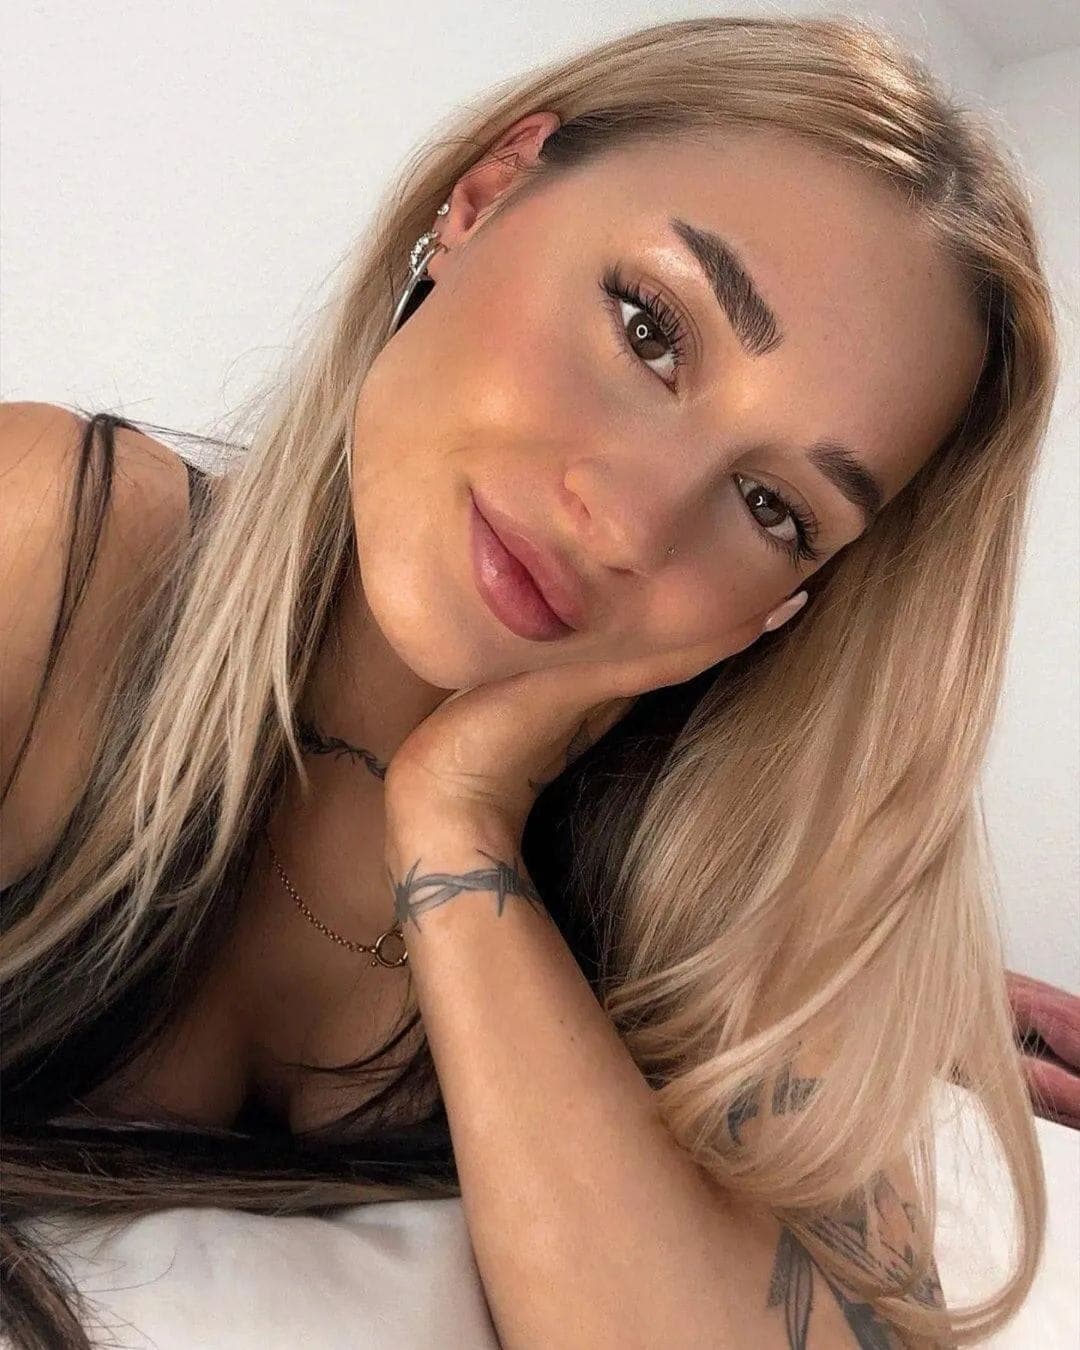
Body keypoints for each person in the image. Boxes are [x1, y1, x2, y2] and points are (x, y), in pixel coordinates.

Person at [0, 14, 1060, 1348]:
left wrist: (460, 824)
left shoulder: (729, 908)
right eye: (650, 328)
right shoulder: (55, 544)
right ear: (484, 198)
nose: (630, 523)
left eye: (774, 507)